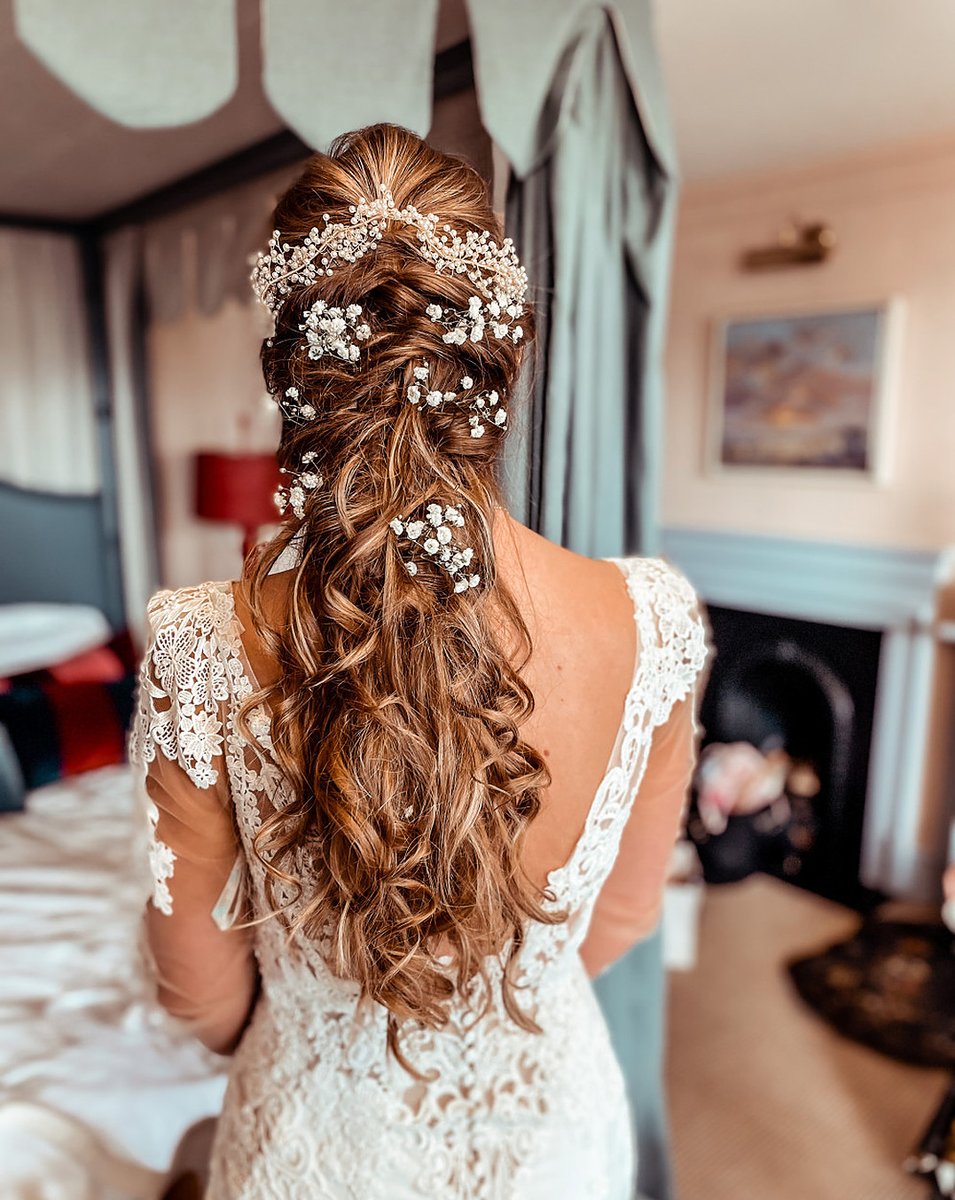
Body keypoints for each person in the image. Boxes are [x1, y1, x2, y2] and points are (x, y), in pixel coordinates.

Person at [130, 123, 709, 1200]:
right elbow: (627, 914)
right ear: (502, 359)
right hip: (550, 1138)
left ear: (291, 374)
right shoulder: (653, 621)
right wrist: (477, 1022)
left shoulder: (200, 643)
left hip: (317, 1145)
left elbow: (195, 987)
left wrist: (320, 1029)